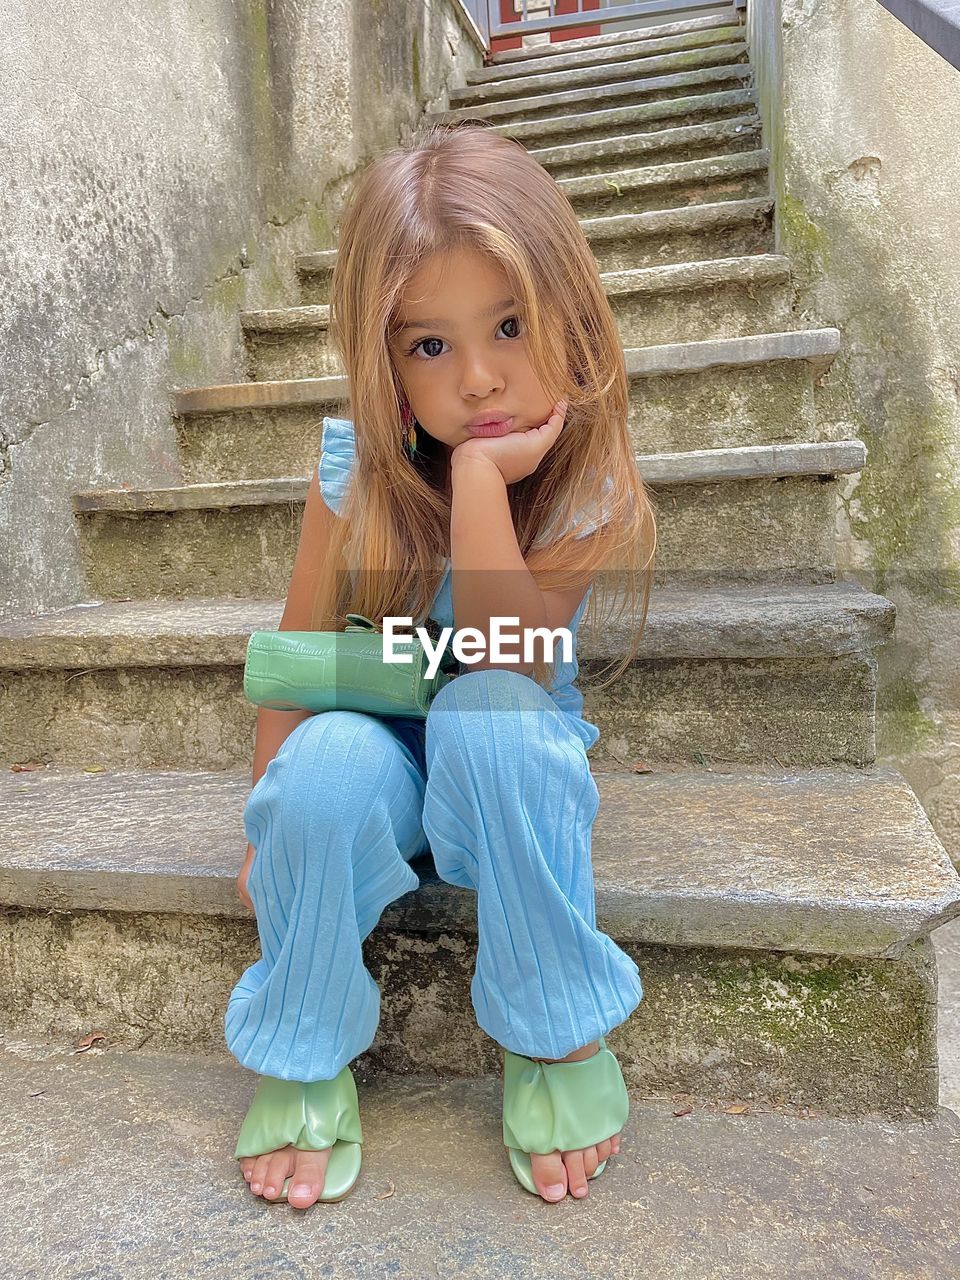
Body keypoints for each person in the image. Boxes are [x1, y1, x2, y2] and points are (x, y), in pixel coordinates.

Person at [226, 120, 658, 1211]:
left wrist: (477, 482)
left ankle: (554, 1023)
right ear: (385, 364)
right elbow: (297, 654)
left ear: (570, 306)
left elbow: (509, 652)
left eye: (510, 324)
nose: (477, 377)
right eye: (429, 345)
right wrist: (263, 819)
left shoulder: (581, 488)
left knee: (498, 711)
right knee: (321, 770)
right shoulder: (354, 472)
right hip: (377, 733)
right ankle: (304, 1031)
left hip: (498, 750)